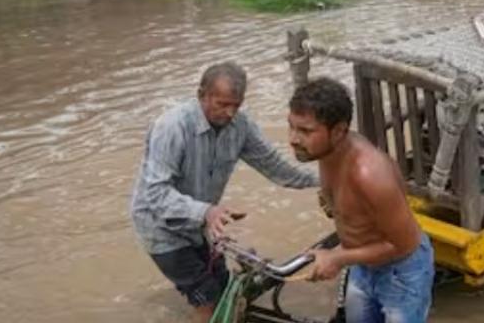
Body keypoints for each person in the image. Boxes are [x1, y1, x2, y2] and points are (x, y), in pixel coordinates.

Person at [130, 62, 319, 322]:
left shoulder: (240, 127)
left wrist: (322, 181)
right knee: (207, 300)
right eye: (222, 104)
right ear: (201, 95)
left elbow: (276, 167)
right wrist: (206, 211)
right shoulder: (172, 127)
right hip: (160, 226)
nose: (230, 113)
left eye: (236, 105)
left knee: (227, 288)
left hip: (200, 224)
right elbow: (155, 194)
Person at [288, 78, 433, 323]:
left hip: (401, 272)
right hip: (363, 265)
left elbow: (401, 245)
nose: (293, 139)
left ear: (338, 131)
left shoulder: (369, 174)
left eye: (305, 131)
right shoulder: (324, 152)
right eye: (291, 126)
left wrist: (337, 257)